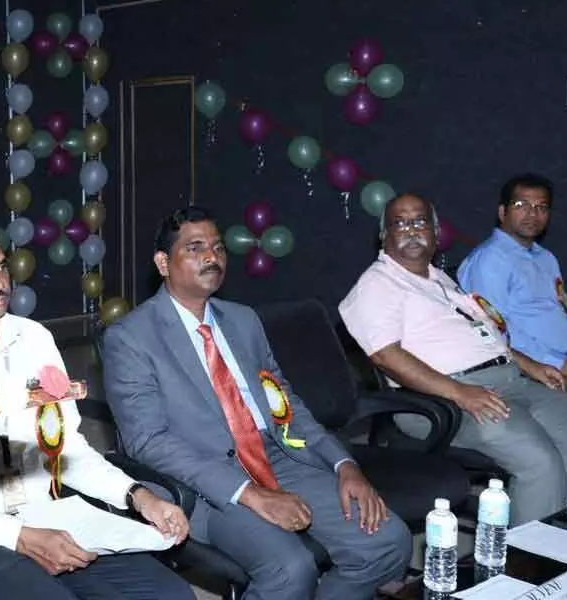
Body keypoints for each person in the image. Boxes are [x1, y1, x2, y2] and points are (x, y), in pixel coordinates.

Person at [103, 206, 410, 600]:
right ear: (163, 263)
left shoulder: (243, 321)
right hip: (202, 480)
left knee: (388, 542)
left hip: (277, 456)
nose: (212, 257)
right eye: (195, 248)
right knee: (290, 570)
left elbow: (286, 404)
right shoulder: (131, 337)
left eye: (218, 248)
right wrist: (247, 493)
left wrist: (343, 463)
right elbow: (148, 442)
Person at [0, 215, 195, 600]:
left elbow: (68, 448)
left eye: (0, 268)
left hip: (51, 516)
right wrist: (17, 537)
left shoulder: (35, 340)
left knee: (169, 595)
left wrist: (136, 496)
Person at [340, 193, 567, 525]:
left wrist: (531, 365)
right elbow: (385, 356)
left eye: (420, 221)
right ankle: (530, 568)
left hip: (511, 382)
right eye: (400, 222)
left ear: (435, 231)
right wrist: (460, 393)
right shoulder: (377, 285)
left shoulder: (440, 280)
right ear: (384, 236)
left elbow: (485, 338)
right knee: (540, 461)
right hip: (442, 397)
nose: (411, 229)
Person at [458, 173, 567, 437]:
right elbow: (495, 334)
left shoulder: (545, 258)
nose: (533, 214)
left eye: (541, 207)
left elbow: (564, 322)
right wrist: (559, 363)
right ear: (502, 212)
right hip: (535, 370)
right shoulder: (489, 261)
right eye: (522, 205)